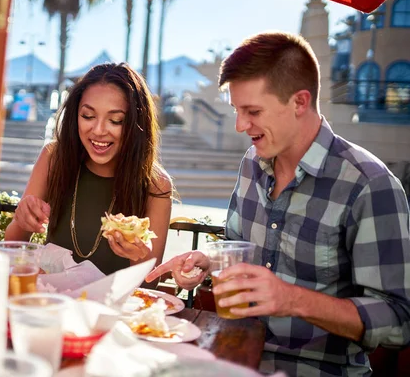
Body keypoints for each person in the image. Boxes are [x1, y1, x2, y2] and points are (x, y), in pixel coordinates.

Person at [146, 32, 410, 376]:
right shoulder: (252, 164)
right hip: (233, 355)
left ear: (300, 102)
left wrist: (291, 299)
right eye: (237, 111)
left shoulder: (369, 185)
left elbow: (399, 321)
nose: (241, 125)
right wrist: (207, 260)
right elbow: (237, 247)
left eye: (253, 111)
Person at [5, 63, 173, 276]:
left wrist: (140, 257)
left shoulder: (156, 184)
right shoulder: (53, 158)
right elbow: (12, 248)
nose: (99, 130)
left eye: (116, 120)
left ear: (136, 124)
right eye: (88, 116)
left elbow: (149, 284)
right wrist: (21, 221)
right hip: (51, 303)